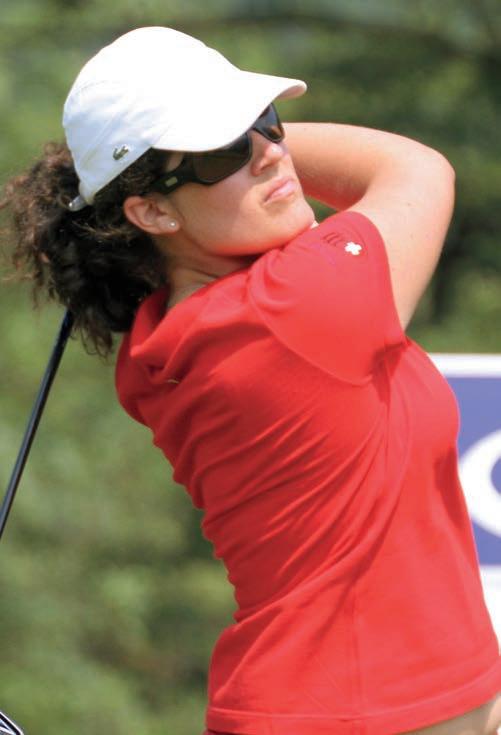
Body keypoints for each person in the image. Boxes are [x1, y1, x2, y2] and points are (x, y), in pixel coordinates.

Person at [1, 25, 500, 735]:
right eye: (222, 151)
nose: (271, 152)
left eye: (266, 122)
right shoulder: (293, 307)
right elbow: (415, 168)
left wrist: (186, 160)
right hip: (358, 714)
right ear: (151, 211)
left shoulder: (162, 335)